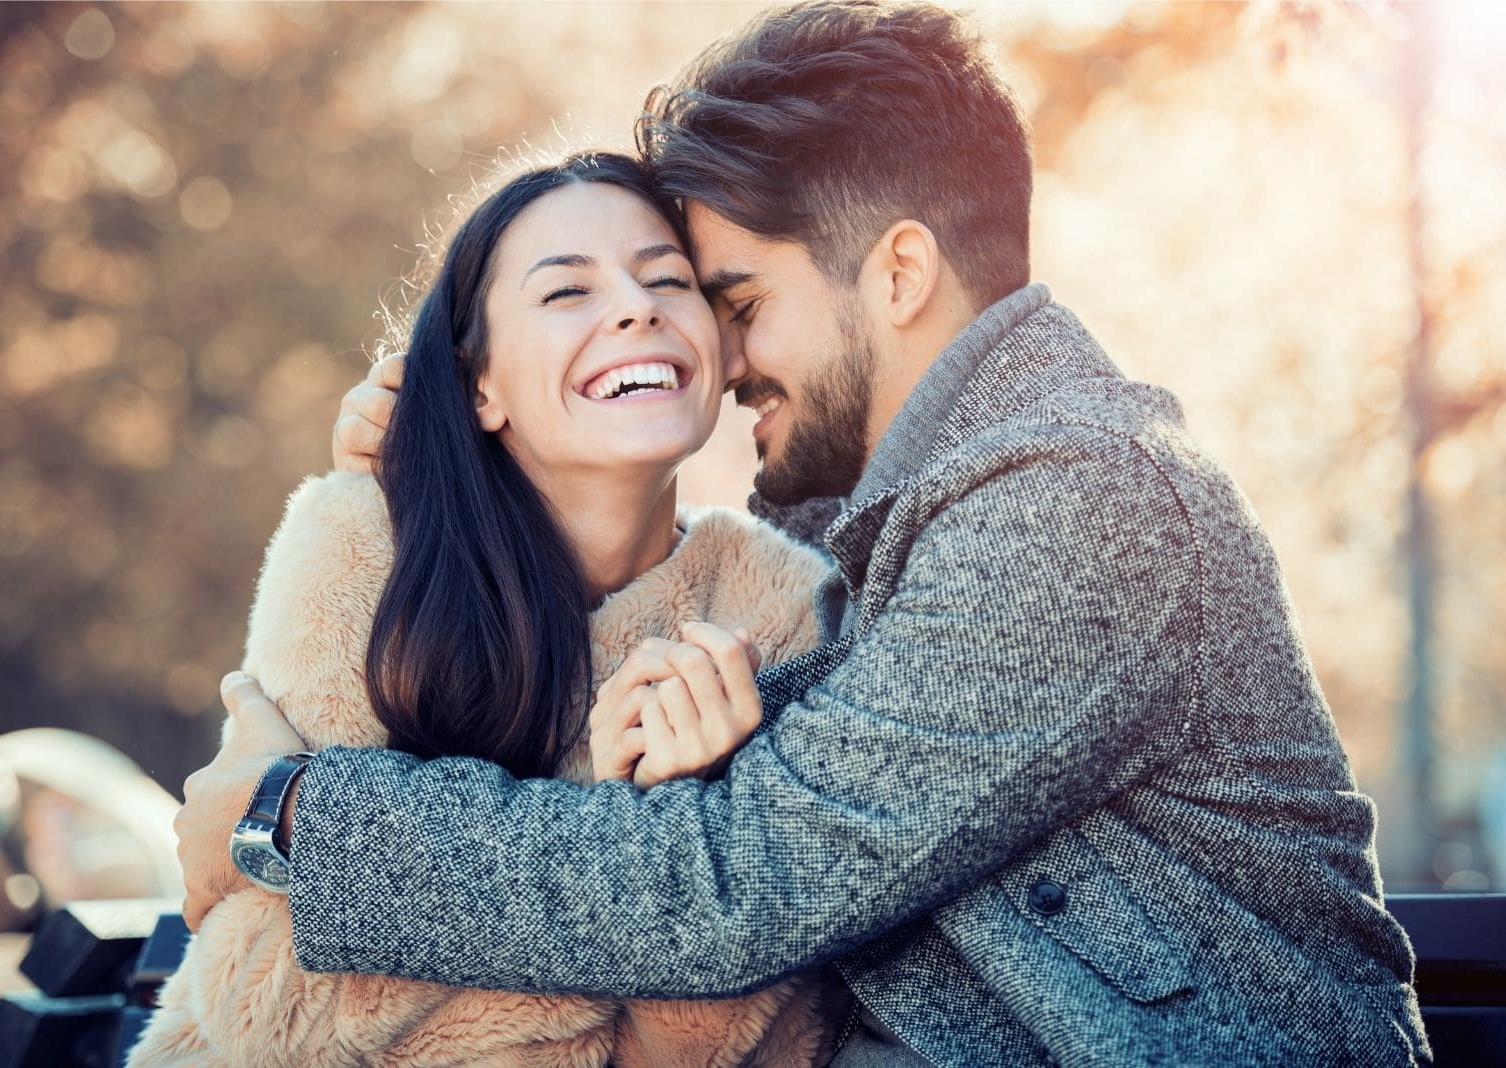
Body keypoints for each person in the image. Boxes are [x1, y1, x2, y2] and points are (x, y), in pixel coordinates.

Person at [179, 2, 1430, 1064]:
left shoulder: (1079, 505)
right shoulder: (908, 531)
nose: (717, 360)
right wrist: (449, 471)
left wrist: (303, 820)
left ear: (894, 276)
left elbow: (730, 883)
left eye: (737, 302)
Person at [131, 152, 840, 1066]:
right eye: (564, 293)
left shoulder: (777, 612)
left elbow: (742, 1045)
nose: (636, 307)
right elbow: (279, 1006)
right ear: (481, 386)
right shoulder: (364, 545)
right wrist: (655, 878)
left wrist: (675, 817)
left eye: (667, 279)